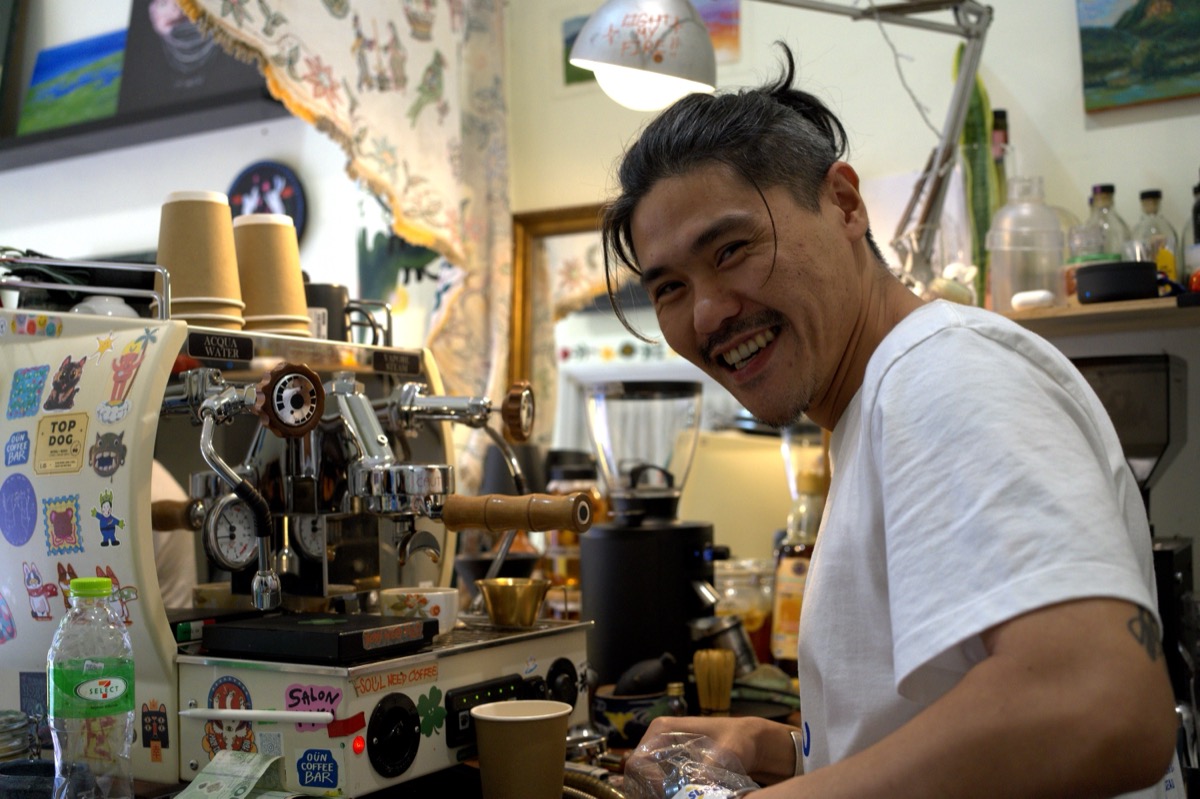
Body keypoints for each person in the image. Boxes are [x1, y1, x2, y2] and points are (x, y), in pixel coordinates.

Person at [602, 44, 1180, 798]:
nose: (707, 312)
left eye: (733, 248)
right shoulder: (877, 407)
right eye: (670, 286)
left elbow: (1101, 703)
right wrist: (776, 745)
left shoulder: (943, 374)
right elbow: (943, 737)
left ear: (843, 203)